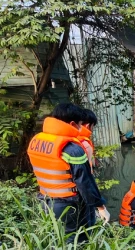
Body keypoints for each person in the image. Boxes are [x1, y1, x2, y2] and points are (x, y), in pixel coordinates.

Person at [27, 103, 110, 241]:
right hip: (69, 206)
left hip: (45, 201)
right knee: (77, 241)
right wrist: (100, 206)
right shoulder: (72, 149)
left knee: (56, 238)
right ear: (72, 123)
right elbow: (85, 182)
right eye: (79, 125)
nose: (80, 128)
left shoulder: (37, 141)